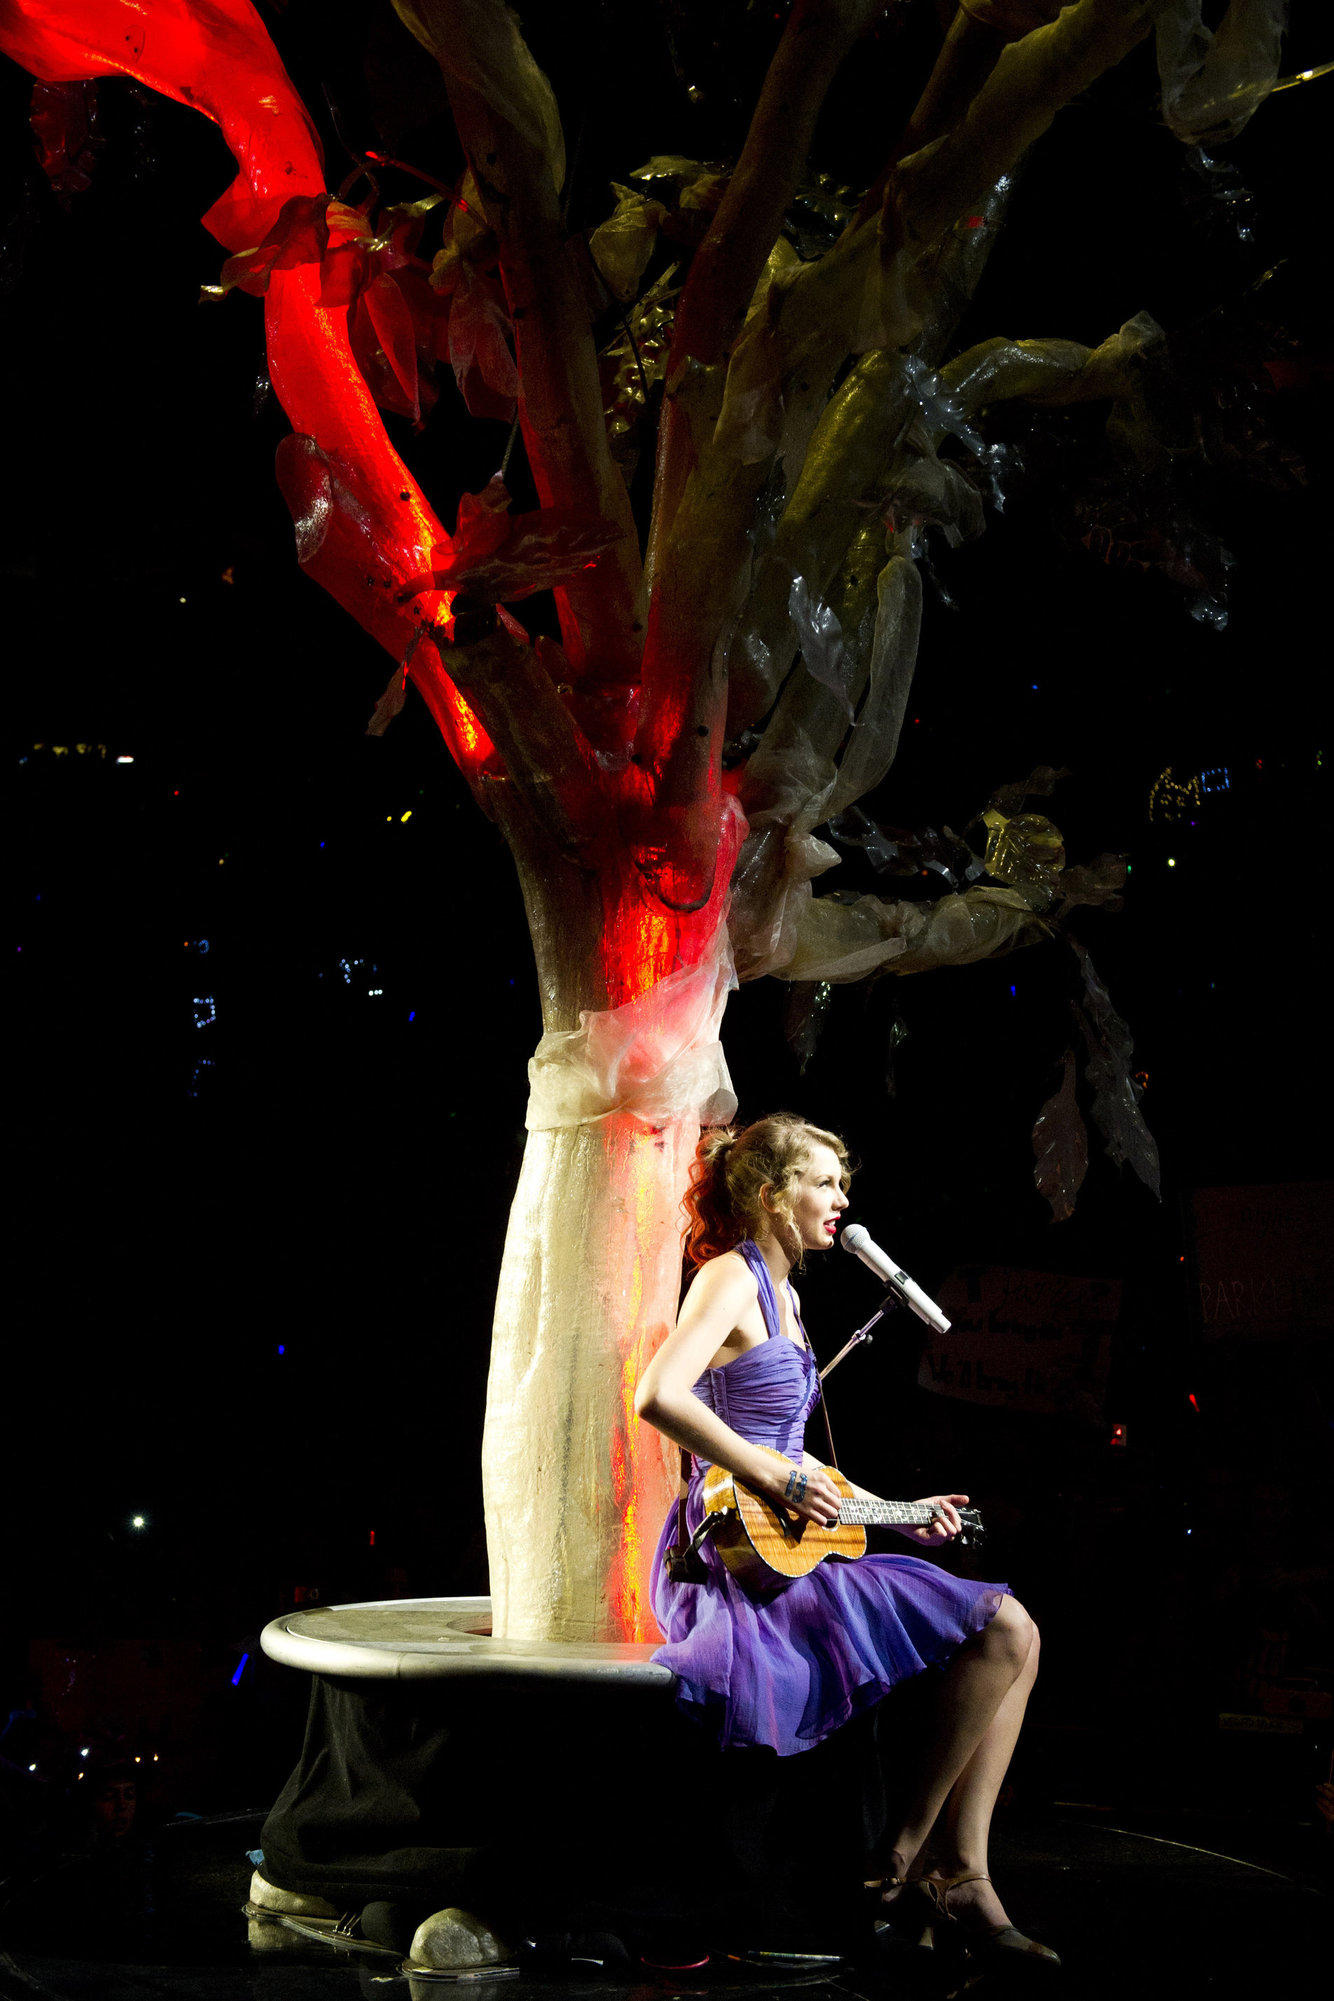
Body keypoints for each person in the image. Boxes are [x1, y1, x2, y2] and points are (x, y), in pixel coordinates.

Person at [634, 1113, 1055, 1966]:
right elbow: (658, 1395)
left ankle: (956, 1866)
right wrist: (775, 1473)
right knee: (1007, 1628)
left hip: (782, 1533)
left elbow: (805, 1472)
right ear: (770, 1193)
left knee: (1017, 1631)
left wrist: (901, 1509)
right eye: (825, 1181)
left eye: (841, 1183)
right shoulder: (729, 1276)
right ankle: (903, 1862)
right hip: (732, 1560)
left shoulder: (787, 1296)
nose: (842, 1198)